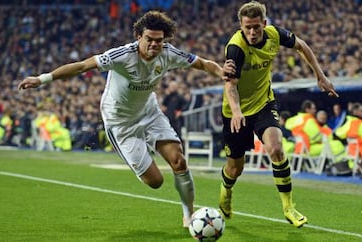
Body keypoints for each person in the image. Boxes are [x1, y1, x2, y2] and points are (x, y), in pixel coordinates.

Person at [18, 11, 232, 228]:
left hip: (149, 113)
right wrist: (42, 78)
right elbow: (82, 66)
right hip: (119, 122)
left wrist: (222, 72)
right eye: (149, 39)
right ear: (138, 36)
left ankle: (189, 216)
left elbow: (204, 63)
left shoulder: (169, 53)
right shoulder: (121, 55)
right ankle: (136, 153)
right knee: (155, 182)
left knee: (179, 161)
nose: (154, 45)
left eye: (159, 40)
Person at [218, 1, 338, 228]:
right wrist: (236, 112)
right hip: (236, 112)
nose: (252, 32)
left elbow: (302, 46)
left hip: (264, 103)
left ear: (264, 23)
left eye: (256, 27)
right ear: (240, 26)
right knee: (235, 168)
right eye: (247, 28)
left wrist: (320, 75)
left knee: (276, 149)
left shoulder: (275, 34)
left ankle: (288, 207)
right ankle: (226, 190)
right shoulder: (235, 48)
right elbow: (230, 85)